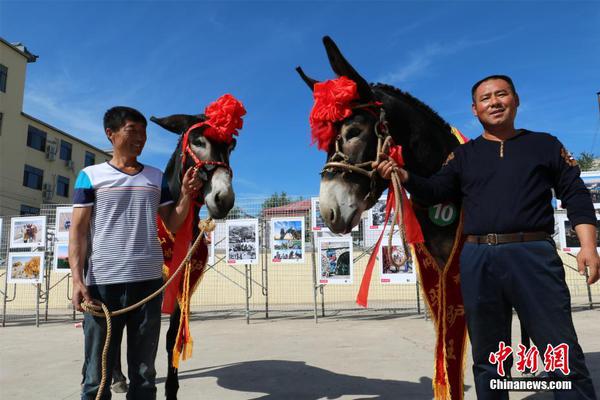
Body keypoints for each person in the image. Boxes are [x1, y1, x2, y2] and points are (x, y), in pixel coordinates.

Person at [375, 75, 599, 399]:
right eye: (485, 98)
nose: (494, 102)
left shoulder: (545, 145)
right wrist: (403, 174)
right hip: (478, 260)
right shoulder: (464, 156)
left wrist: (588, 246)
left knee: (560, 351)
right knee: (489, 358)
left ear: (516, 100)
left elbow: (575, 195)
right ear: (475, 109)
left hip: (533, 254)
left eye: (501, 94)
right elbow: (436, 190)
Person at [69, 106, 202, 400]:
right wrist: (78, 280)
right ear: (111, 133)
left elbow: (174, 222)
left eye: (144, 133)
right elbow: (78, 232)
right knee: (97, 375)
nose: (140, 138)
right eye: (132, 131)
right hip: (102, 287)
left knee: (144, 375)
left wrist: (187, 195)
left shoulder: (156, 178)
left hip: (148, 286)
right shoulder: (89, 176)